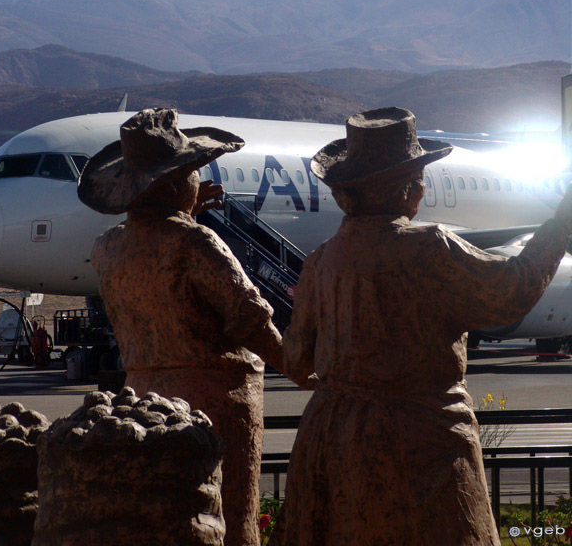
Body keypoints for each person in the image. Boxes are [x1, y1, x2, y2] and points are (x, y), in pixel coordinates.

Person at [277, 107, 572, 546]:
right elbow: (509, 292)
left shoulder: (320, 262)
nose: (423, 187)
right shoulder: (429, 248)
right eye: (419, 179)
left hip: (331, 441)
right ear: (406, 188)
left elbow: (296, 361)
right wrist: (561, 225)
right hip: (418, 443)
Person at [78, 108, 283, 546]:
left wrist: (178, 209)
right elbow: (251, 317)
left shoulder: (106, 248)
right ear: (174, 184)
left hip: (142, 399)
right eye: (191, 173)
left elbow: (147, 233)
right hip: (214, 405)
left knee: (163, 521)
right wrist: (304, 367)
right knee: (228, 518)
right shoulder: (196, 243)